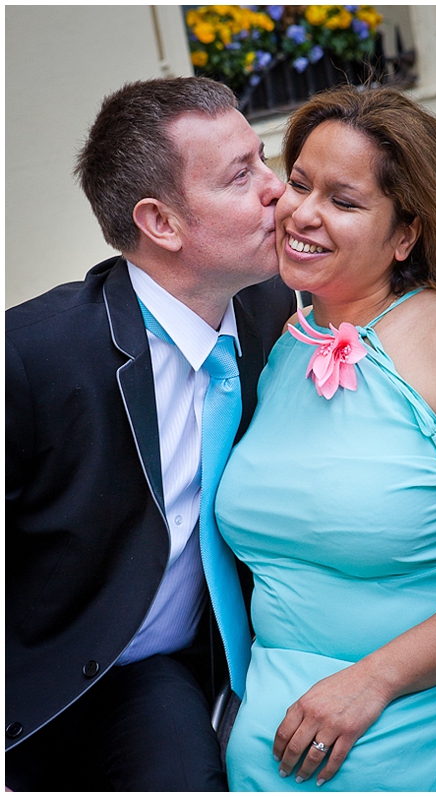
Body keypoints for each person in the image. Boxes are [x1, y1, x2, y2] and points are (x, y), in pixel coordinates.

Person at [214, 85, 436, 791]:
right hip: (272, 750)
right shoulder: (286, 344)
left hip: (435, 732)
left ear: (406, 233)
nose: (302, 212)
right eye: (299, 183)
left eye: (344, 201)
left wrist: (373, 679)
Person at [5, 77, 296, 791]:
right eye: (240, 176)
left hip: (154, 672)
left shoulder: (282, 311)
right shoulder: (32, 356)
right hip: (29, 681)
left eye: (263, 159)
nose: (277, 189)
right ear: (161, 223)